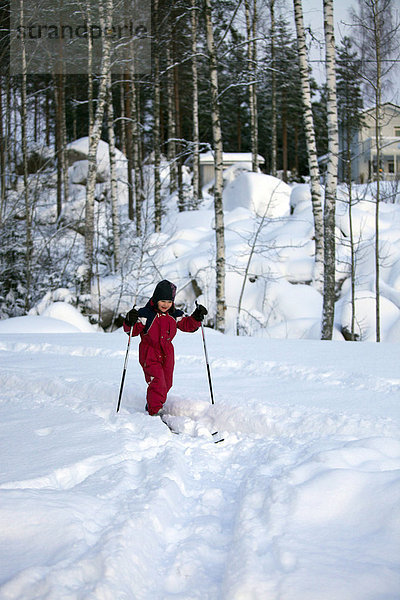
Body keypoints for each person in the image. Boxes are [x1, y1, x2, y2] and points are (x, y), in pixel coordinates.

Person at [123, 279, 207, 416]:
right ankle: (154, 411)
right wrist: (129, 321)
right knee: (158, 382)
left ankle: (153, 402)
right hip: (149, 352)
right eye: (162, 301)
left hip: (168, 353)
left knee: (167, 383)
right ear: (156, 299)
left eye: (169, 302)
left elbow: (187, 325)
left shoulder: (174, 314)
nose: (165, 305)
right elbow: (132, 331)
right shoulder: (145, 314)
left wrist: (196, 318)